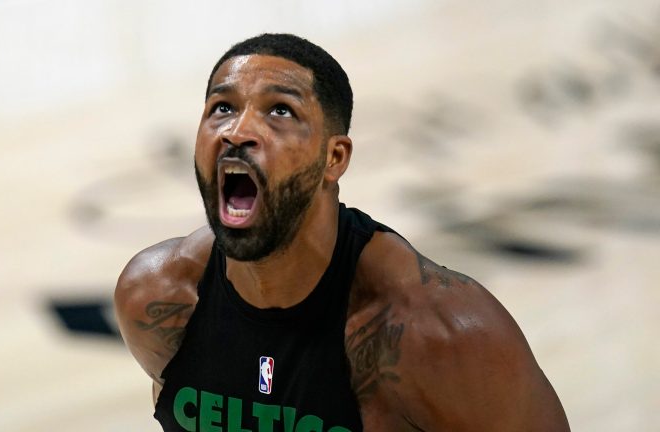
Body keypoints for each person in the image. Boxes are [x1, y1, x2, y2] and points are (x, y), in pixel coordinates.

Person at [114, 33, 570, 431]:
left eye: (279, 110)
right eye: (222, 107)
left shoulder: (440, 332)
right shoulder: (158, 297)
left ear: (334, 159)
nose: (238, 130)